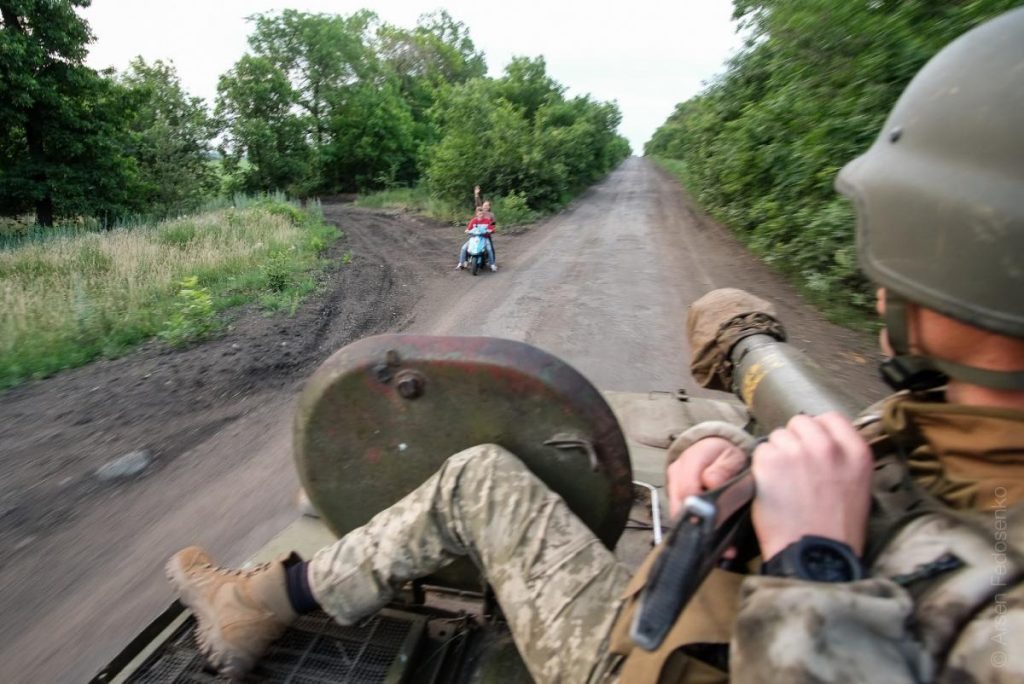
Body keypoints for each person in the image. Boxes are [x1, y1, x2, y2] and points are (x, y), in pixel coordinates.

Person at [167, 10, 1024, 682]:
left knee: (477, 479)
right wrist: (722, 450)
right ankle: (261, 601)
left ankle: (256, 600)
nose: (880, 284)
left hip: (643, 658)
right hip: (689, 615)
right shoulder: (948, 423)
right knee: (485, 473)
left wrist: (813, 564)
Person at [456, 205, 498, 271]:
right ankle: (461, 263)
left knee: (489, 249)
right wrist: (467, 231)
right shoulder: (473, 221)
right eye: (479, 213)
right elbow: (468, 228)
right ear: (476, 214)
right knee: (464, 248)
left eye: (481, 213)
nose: (480, 215)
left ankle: (492, 264)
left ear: (483, 214)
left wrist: (491, 230)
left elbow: (492, 228)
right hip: (474, 238)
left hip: (484, 238)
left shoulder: (487, 221)